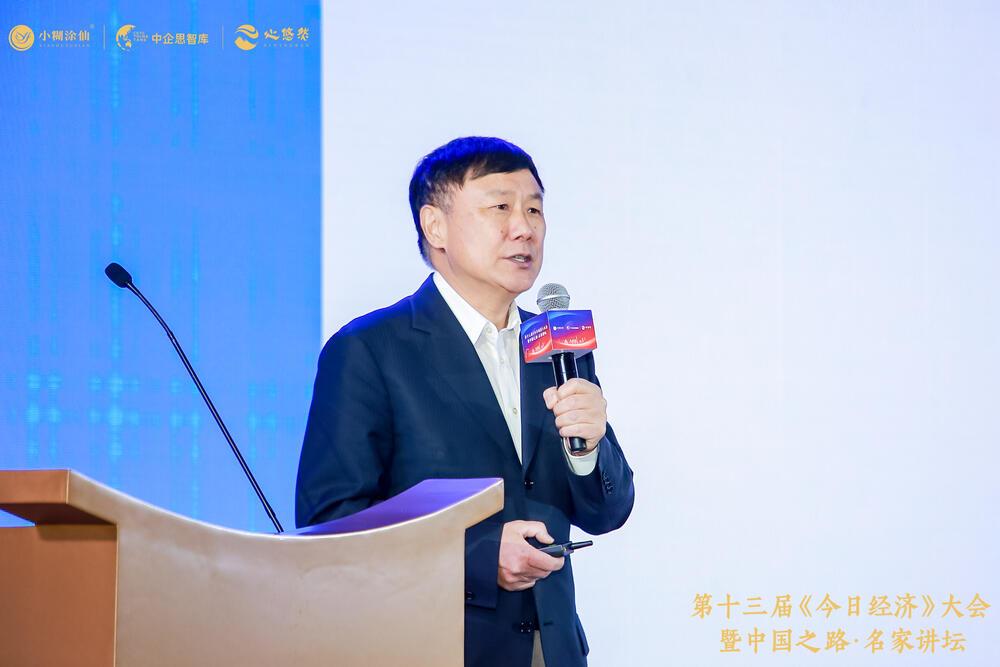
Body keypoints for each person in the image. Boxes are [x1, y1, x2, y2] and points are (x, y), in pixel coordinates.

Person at [295, 136, 634, 667]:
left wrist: (589, 451)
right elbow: (332, 526)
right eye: (500, 207)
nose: (523, 228)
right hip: (435, 648)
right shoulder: (370, 350)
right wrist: (476, 559)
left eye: (534, 209)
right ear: (435, 226)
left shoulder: (557, 348)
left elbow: (607, 512)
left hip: (552, 651)